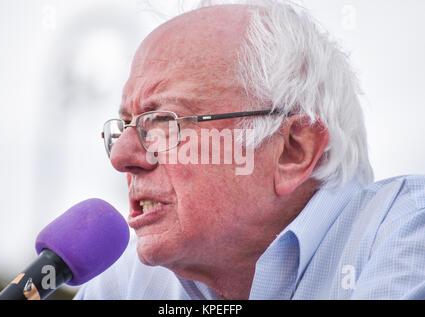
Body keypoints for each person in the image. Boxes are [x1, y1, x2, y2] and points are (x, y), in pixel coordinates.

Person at [75, 1, 425, 299]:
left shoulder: (410, 230)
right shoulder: (123, 279)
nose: (121, 157)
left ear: (292, 152)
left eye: (163, 123)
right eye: (124, 127)